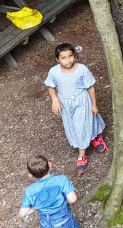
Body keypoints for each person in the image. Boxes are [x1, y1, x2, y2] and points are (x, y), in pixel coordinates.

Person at [45, 44, 107, 176]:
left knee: (80, 126)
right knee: (74, 126)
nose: (68, 60)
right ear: (57, 59)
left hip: (81, 102)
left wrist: (94, 104)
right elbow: (50, 86)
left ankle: (81, 156)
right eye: (63, 58)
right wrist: (54, 99)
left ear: (74, 56)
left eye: (70, 56)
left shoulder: (82, 69)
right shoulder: (54, 72)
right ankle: (94, 137)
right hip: (65, 104)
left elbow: (90, 87)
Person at [19, 154, 78, 227]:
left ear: (30, 175)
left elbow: (22, 213)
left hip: (45, 221)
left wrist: (35, 207)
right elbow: (73, 199)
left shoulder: (30, 191)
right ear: (49, 165)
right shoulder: (61, 180)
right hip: (63, 218)